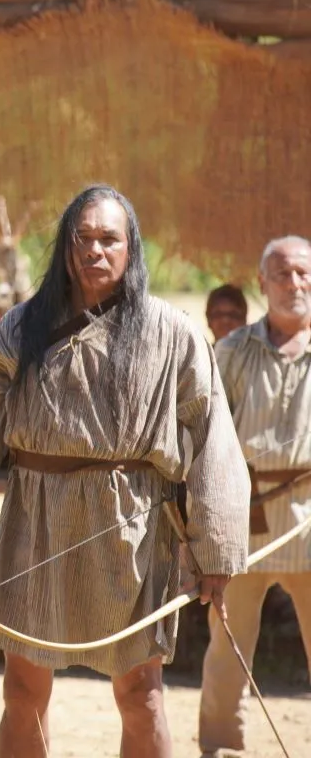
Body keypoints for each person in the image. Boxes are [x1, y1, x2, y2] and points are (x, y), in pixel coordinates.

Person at [0, 184, 250, 758]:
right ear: (66, 247)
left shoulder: (171, 332)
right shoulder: (20, 328)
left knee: (142, 696)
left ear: (130, 248)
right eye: (84, 237)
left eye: (109, 239)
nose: (95, 250)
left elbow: (213, 436)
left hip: (132, 527)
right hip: (35, 520)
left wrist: (214, 547)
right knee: (23, 691)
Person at [198, 235, 311, 758]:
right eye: (283, 274)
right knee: (228, 645)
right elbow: (204, 438)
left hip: (309, 516)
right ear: (263, 283)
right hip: (245, 517)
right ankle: (221, 746)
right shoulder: (234, 351)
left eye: (304, 273)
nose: (295, 283)